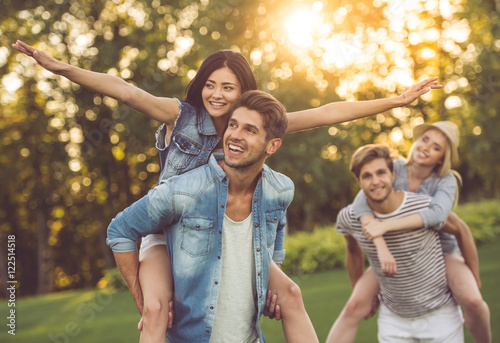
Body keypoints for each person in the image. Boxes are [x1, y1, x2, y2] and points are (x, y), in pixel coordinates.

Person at [12, 40, 441, 341]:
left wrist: (396, 101)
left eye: (228, 87)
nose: (216, 94)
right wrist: (60, 67)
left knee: (290, 293)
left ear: (243, 93)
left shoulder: (249, 126)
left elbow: (329, 112)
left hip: (223, 232)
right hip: (168, 229)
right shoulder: (179, 116)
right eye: (210, 84)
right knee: (157, 311)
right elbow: (125, 90)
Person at [107, 90, 314, 342]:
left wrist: (270, 277)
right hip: (192, 336)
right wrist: (142, 301)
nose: (235, 135)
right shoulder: (183, 191)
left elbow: (278, 224)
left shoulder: (280, 189)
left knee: (292, 292)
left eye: (250, 130)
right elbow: (120, 230)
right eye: (233, 125)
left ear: (272, 145)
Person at [327, 122, 491, 343]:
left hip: (440, 251)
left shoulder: (445, 180)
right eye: (425, 140)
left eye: (436, 147)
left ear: (442, 157)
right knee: (354, 306)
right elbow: (362, 199)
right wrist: (378, 240)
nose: (426, 148)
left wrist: (474, 275)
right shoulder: (394, 167)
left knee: (473, 300)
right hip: (394, 249)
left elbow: (439, 217)